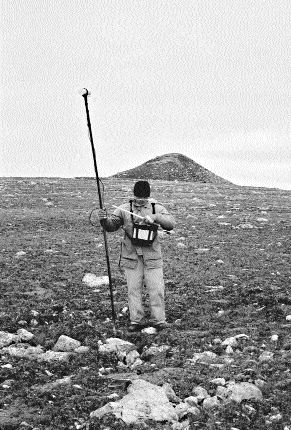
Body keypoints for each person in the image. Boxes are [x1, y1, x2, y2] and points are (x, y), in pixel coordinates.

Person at [98, 180, 175, 332]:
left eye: (143, 197)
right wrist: (104, 220)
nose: (140, 200)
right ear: (133, 195)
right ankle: (136, 321)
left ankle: (159, 320)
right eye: (138, 197)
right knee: (133, 290)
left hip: (152, 257)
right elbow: (111, 226)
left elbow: (170, 223)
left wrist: (156, 217)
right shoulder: (124, 209)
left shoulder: (156, 207)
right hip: (131, 257)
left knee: (157, 289)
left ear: (148, 196)